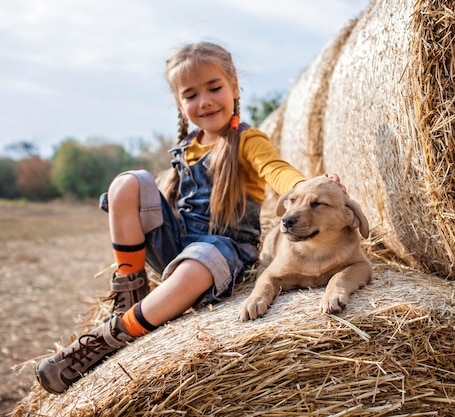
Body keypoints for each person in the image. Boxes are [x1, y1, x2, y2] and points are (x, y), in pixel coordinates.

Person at [35, 41, 326, 394]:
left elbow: (275, 169)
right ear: (179, 102)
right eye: (191, 94)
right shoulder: (186, 147)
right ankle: (130, 293)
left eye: (214, 88)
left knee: (200, 259)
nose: (204, 101)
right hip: (178, 245)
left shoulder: (247, 140)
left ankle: (113, 334)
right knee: (129, 181)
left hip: (223, 253)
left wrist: (305, 187)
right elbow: (152, 201)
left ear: (234, 86)